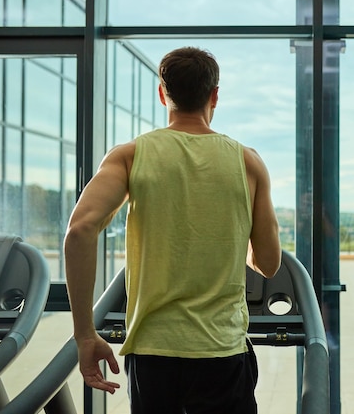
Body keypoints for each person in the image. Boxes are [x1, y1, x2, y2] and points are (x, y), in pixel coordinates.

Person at [64, 46, 282, 414]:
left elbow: (80, 230)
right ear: (214, 96)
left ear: (164, 94)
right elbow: (269, 263)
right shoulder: (248, 162)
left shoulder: (129, 155)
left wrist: (86, 334)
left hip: (153, 355)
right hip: (222, 351)